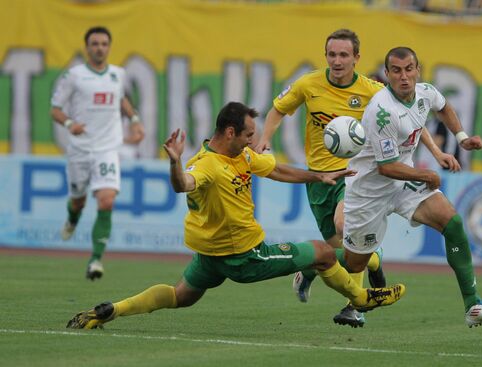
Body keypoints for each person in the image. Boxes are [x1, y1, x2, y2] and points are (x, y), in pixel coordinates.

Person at [66, 102, 405, 329]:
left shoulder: (238, 156)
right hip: (243, 256)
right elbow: (182, 184)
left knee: (179, 296)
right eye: (248, 136)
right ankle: (361, 298)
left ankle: (109, 311)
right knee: (323, 252)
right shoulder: (206, 165)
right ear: (230, 133)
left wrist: (317, 176)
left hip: (209, 256)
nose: (252, 142)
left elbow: (276, 171)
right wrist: (173, 161)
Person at [254, 29, 451, 328]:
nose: (337, 60)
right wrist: (265, 140)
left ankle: (354, 306)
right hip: (319, 178)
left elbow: (413, 120)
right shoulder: (308, 84)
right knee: (343, 251)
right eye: (332, 54)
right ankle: (340, 264)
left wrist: (436, 153)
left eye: (344, 55)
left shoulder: (374, 91)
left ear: (356, 58)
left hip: (356, 175)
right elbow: (278, 110)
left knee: (344, 225)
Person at [342, 47, 482, 327]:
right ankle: (312, 263)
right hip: (370, 189)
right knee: (353, 263)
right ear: (388, 74)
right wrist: (426, 175)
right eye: (396, 71)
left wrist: (461, 138)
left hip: (402, 183)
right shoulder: (382, 111)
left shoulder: (425, 92)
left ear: (418, 70)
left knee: (451, 222)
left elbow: (443, 107)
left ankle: (473, 304)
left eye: (408, 69)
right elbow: (386, 167)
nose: (404, 76)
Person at [51, 26, 145, 280]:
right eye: (95, 43)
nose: (99, 48)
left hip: (107, 149)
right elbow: (56, 109)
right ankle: (72, 218)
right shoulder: (74, 76)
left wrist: (135, 119)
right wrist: (70, 124)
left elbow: (121, 100)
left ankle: (96, 260)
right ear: (87, 47)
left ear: (109, 47)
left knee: (106, 200)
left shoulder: (118, 74)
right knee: (79, 201)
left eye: (104, 43)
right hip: (80, 149)